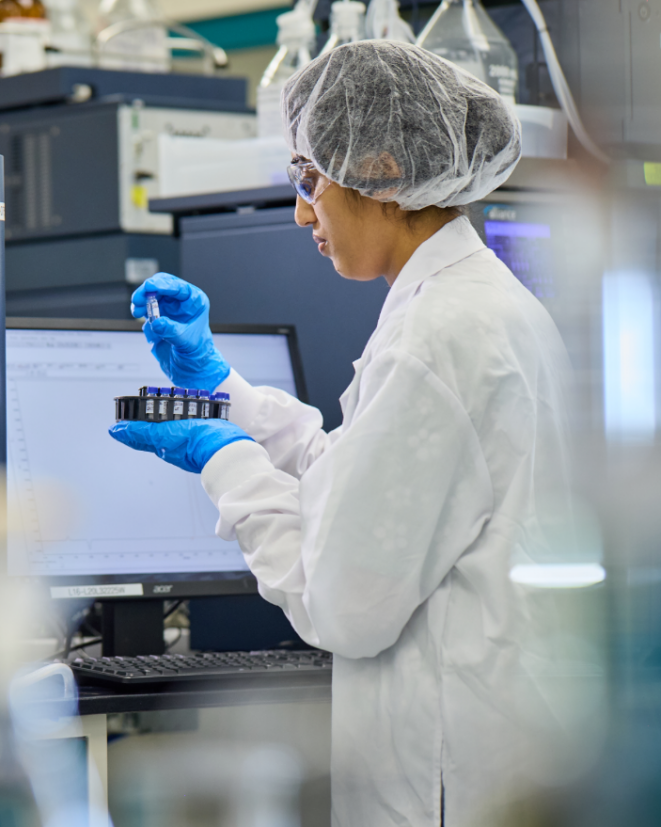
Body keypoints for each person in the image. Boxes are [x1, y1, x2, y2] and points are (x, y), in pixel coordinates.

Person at [110, 41, 577, 827]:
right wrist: (220, 391)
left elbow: (341, 603)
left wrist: (225, 462)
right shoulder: (474, 306)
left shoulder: (437, 336)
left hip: (451, 779)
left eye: (309, 179)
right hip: (492, 752)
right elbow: (374, 486)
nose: (301, 211)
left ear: (384, 169)